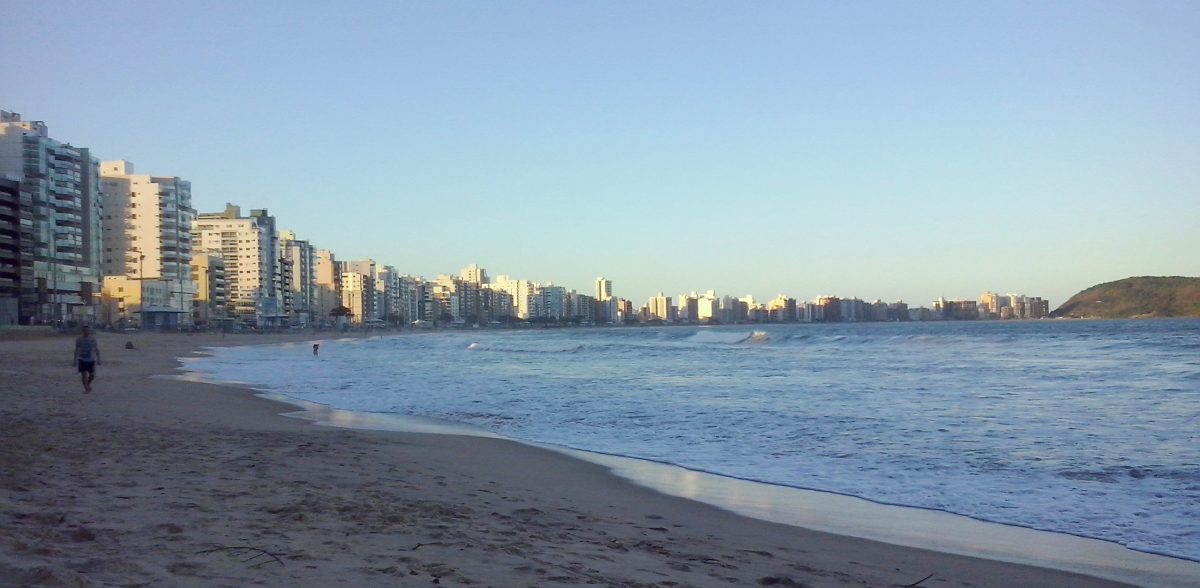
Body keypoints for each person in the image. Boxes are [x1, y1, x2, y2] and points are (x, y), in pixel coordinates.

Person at [74, 325, 101, 393]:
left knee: (92, 375)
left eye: (88, 330)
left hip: (91, 359)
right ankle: (86, 388)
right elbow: (77, 350)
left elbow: (96, 349)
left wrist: (98, 359)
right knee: (84, 375)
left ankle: (87, 384)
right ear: (83, 331)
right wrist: (75, 360)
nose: (87, 332)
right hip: (82, 359)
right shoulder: (79, 339)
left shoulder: (93, 339)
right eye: (86, 330)